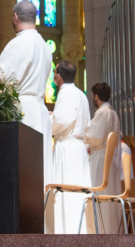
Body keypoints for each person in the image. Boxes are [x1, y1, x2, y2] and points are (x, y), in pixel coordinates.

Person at [0, 0, 53, 187]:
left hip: (22, 112)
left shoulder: (18, 43)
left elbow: (2, 81)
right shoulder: (45, 46)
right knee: (40, 173)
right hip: (40, 111)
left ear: (15, 17)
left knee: (23, 174)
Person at [49, 60, 92, 234]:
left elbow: (62, 122)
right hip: (78, 148)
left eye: (54, 73)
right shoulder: (81, 94)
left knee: (67, 193)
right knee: (77, 194)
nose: (53, 76)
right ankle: (78, 232)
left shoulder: (65, 93)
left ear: (58, 76)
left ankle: (68, 233)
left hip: (67, 149)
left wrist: (48, 118)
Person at [83, 83, 122, 234]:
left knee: (100, 196)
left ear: (96, 96)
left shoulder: (101, 112)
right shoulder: (114, 113)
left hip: (100, 159)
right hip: (110, 160)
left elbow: (95, 137)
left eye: (93, 95)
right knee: (110, 196)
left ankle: (100, 233)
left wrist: (83, 136)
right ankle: (111, 231)